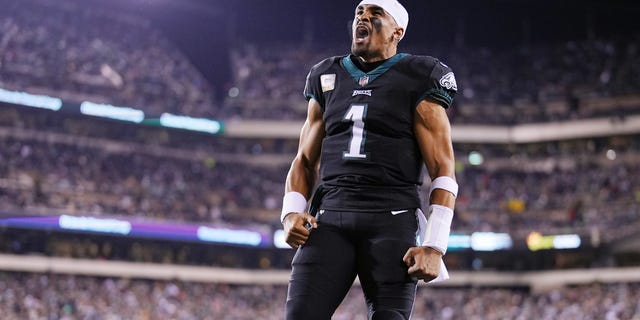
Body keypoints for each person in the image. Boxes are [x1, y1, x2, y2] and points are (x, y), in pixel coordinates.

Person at [280, 0, 458, 319]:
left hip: (391, 218)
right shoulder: (326, 75)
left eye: (376, 14)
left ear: (397, 32)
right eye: (360, 12)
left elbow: (443, 170)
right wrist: (291, 212)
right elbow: (304, 159)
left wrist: (435, 245)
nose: (363, 18)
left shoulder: (420, 75)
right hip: (330, 217)